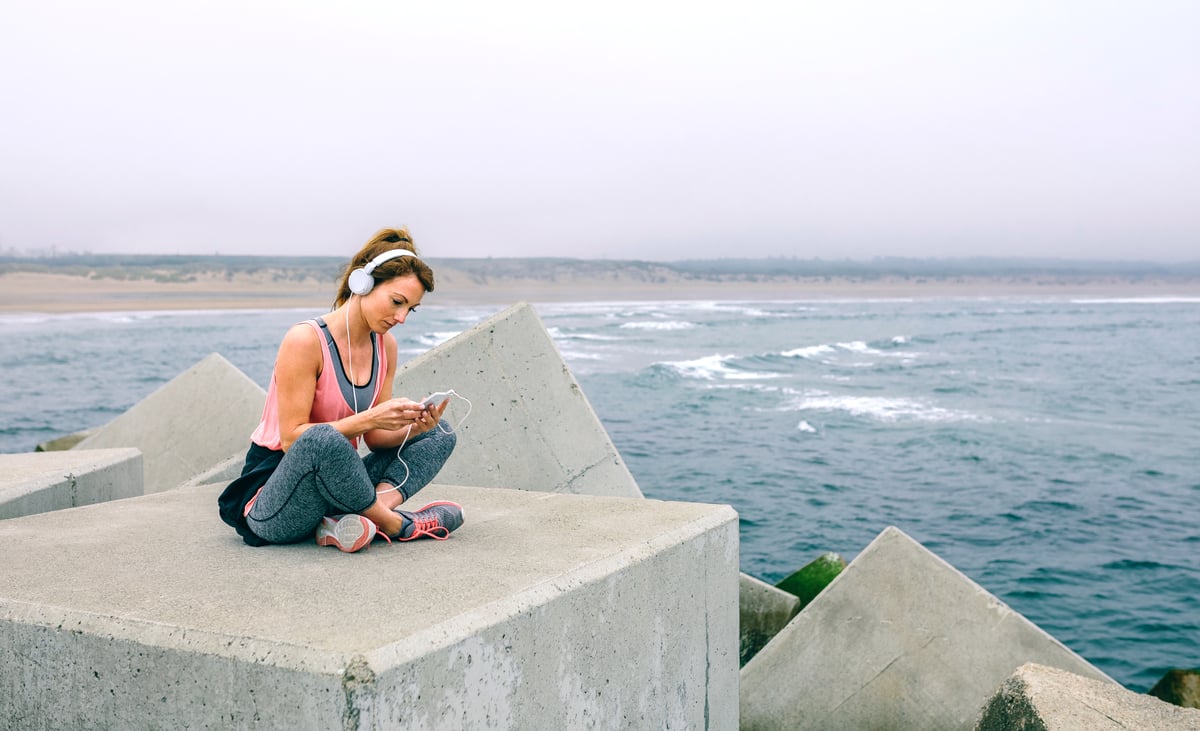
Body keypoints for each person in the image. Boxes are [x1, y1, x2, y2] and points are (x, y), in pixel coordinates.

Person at [218, 228, 462, 552]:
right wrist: (370, 418)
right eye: (397, 302)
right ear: (363, 284)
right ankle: (397, 524)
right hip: (273, 500)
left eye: (410, 309)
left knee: (440, 433)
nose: (401, 317)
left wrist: (412, 427)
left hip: (335, 487)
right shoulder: (305, 340)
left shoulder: (385, 346)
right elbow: (292, 438)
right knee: (322, 439)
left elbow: (374, 440)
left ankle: (351, 520)